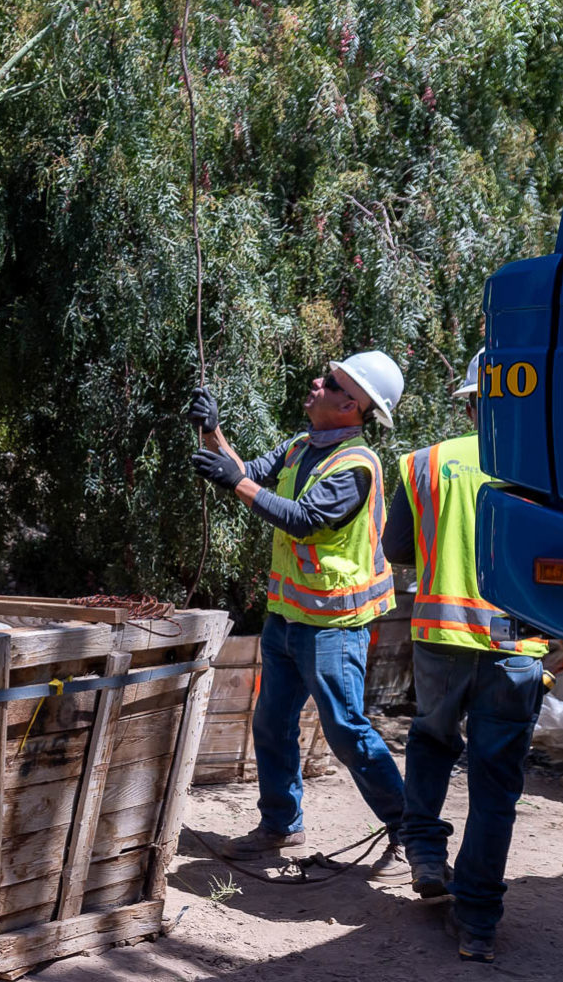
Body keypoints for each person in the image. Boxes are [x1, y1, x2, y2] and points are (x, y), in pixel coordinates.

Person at [187, 351, 408, 879]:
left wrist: (231, 480)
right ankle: (281, 824)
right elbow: (247, 473)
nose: (317, 381)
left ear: (351, 405)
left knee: (347, 730)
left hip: (334, 623)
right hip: (289, 617)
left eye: (329, 382)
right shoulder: (301, 444)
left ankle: (410, 832)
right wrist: (214, 434)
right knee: (271, 723)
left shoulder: (356, 466)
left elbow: (303, 520)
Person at [382, 348, 547, 962]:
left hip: (439, 636)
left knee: (430, 739)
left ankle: (425, 849)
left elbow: (397, 547)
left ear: (475, 401)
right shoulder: (548, 469)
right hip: (516, 647)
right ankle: (476, 923)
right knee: (496, 785)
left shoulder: (425, 462)